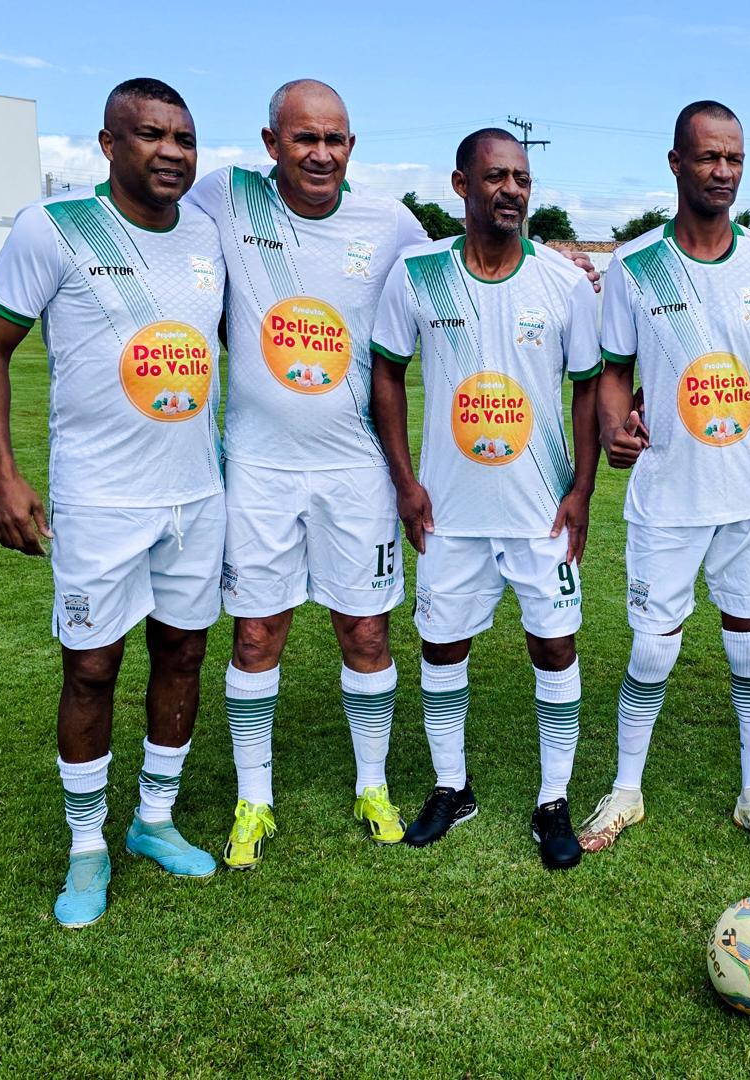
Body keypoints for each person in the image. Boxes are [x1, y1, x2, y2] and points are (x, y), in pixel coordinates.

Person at [0, 78, 225, 928]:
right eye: (150, 134)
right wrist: (2, 473)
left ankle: (154, 820)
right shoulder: (55, 228)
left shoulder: (209, 237)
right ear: (109, 145)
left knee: (183, 654)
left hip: (197, 495)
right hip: (101, 499)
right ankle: (86, 846)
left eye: (184, 137)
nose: (171, 151)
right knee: (91, 666)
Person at [181, 80, 429, 866]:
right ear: (271, 143)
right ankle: (254, 799)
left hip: (357, 468)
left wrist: (557, 266)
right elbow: (150, 226)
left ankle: (372, 785)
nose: (321, 154)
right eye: (304, 138)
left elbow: (457, 276)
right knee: (257, 632)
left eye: (335, 139)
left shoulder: (389, 222)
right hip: (259, 468)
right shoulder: (226, 197)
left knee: (366, 629)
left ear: (351, 146)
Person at [576, 100, 750, 860]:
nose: (723, 171)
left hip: (747, 497)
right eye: (709, 156)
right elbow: (614, 372)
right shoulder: (635, 264)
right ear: (676, 163)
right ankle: (626, 790)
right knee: (653, 650)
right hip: (666, 495)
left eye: (734, 158)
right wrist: (615, 427)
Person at [368, 128, 602, 870]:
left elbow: (589, 387)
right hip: (449, 509)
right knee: (443, 644)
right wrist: (405, 481)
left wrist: (583, 488)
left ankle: (553, 799)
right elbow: (386, 373)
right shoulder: (419, 273)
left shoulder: (564, 283)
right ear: (461, 184)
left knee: (554, 644)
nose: (512, 191)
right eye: (496, 176)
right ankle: (451, 786)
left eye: (522, 179)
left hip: (540, 509)